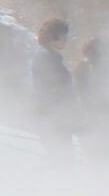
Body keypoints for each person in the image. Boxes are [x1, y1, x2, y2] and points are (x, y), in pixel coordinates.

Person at [33, 19, 78, 154]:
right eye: (64, 36)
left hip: (54, 116)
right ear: (55, 37)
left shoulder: (47, 56)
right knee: (62, 160)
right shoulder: (47, 57)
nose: (65, 40)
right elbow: (56, 88)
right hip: (54, 117)